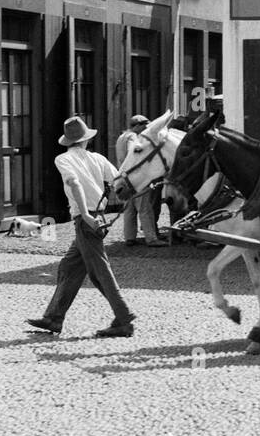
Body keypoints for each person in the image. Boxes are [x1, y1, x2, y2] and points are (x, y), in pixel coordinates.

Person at [26, 116, 135, 338]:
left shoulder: (63, 159)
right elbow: (118, 181)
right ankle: (54, 317)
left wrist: (85, 214)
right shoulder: (98, 158)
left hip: (85, 220)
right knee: (69, 266)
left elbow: (74, 182)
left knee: (99, 271)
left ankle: (124, 317)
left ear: (68, 141)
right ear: (86, 139)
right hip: (99, 216)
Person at [115, 114, 164, 247]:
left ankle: (129, 237)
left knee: (129, 209)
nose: (145, 129)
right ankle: (151, 238)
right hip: (134, 178)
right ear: (136, 126)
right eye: (144, 126)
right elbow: (134, 151)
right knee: (145, 208)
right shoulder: (133, 137)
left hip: (124, 178)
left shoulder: (121, 137)